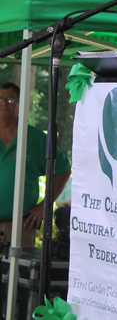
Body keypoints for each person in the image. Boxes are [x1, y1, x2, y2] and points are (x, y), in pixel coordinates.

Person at [0, 82, 71, 247]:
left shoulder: (36, 138)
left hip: (20, 226)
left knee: (18, 271)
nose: (4, 104)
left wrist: (44, 206)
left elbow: (63, 170)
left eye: (10, 99)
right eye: (0, 99)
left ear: (20, 104)